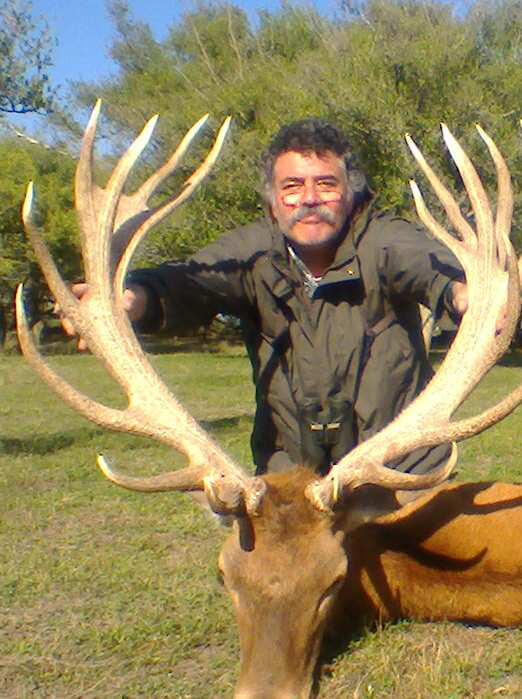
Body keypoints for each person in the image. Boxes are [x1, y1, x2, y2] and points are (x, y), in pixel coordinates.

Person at [71, 119, 467, 477]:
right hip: (290, 475)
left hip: (402, 471)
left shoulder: (382, 239)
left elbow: (422, 263)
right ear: (273, 200)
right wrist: (132, 299)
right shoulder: (253, 251)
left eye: (325, 184)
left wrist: (461, 292)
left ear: (351, 194)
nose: (309, 198)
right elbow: (188, 283)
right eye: (292, 186)